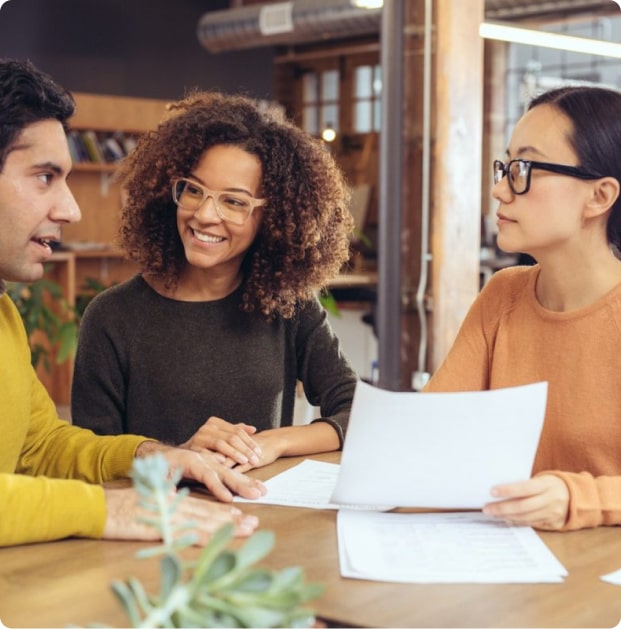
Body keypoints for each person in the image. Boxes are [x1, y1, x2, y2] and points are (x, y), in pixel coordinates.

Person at [0, 58, 265, 547]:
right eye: (44, 177)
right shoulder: (114, 313)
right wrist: (106, 507)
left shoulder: (5, 314)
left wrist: (148, 455)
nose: (71, 209)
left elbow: (40, 445)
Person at [71, 90, 358, 472]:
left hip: (261, 519)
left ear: (272, 219)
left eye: (234, 202)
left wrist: (273, 442)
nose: (205, 215)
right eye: (194, 189)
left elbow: (355, 410)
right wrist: (180, 455)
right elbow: (91, 457)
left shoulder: (290, 306)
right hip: (155, 522)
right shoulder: (112, 316)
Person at [424, 85, 621, 532]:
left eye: (524, 168)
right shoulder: (503, 294)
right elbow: (434, 431)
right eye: (506, 165)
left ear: (600, 196)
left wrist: (577, 498)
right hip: (509, 562)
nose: (499, 189)